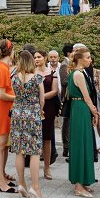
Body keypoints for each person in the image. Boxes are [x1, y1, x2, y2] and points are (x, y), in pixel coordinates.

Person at [9, 50, 46, 198]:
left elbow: (14, 95)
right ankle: (35, 187)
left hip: (17, 115)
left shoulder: (14, 78)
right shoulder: (37, 78)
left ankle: (21, 184)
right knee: (35, 152)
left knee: (19, 151)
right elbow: (42, 99)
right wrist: (39, 110)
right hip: (32, 115)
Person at [67, 46, 98, 198]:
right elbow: (87, 98)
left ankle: (83, 181)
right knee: (80, 145)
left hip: (80, 109)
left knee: (84, 144)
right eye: (87, 57)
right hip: (80, 108)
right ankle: (79, 185)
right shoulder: (78, 74)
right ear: (80, 60)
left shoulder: (79, 72)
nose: (90, 60)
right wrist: (95, 112)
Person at [0, 39, 17, 193]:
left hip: (4, 109)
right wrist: (18, 97)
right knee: (0, 145)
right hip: (2, 110)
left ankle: (0, 177)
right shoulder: (2, 69)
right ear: (11, 51)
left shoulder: (1, 67)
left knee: (1, 146)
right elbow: (1, 94)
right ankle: (0, 182)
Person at [34, 50, 58, 179]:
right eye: (35, 57)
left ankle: (47, 167)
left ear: (44, 58)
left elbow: (55, 91)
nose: (36, 59)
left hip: (48, 107)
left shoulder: (52, 73)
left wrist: (41, 97)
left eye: (39, 57)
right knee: (34, 137)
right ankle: (34, 165)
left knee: (47, 138)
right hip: (34, 106)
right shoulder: (31, 72)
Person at [58, 44, 73, 158]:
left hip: (71, 96)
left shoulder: (70, 64)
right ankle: (66, 147)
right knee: (66, 123)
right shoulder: (64, 65)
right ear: (69, 53)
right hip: (67, 97)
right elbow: (64, 81)